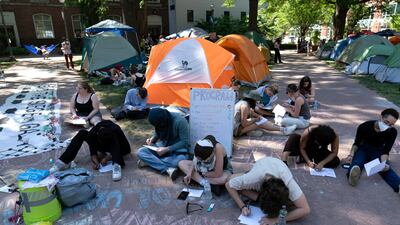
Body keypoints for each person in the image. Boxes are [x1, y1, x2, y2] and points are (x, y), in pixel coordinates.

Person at [226, 157, 310, 224]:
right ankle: (244, 175)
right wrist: (242, 206)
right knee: (230, 179)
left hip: (277, 166)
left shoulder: (288, 183)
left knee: (293, 204)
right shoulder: (252, 179)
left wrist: (275, 219)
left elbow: (305, 209)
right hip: (261, 167)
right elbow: (228, 185)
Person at [50, 120, 131, 181]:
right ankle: (62, 162)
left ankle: (116, 166)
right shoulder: (93, 133)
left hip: (120, 146)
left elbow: (125, 149)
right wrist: (96, 162)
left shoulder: (115, 130)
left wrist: (108, 157)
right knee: (82, 133)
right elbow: (93, 150)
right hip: (102, 144)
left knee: (115, 141)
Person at [347, 108, 399, 193]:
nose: (388, 126)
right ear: (381, 117)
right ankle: (353, 176)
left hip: (378, 150)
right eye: (386, 122)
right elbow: (356, 143)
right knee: (357, 162)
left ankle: (398, 185)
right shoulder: (364, 126)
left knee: (384, 167)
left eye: (391, 124)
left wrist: (384, 163)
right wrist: (351, 155)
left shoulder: (392, 131)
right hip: (363, 148)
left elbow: (386, 150)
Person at [137, 108, 190, 180]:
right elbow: (158, 132)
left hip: (177, 151)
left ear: (163, 122)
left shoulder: (180, 121)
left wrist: (168, 149)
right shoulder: (160, 122)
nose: (158, 127)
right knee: (141, 152)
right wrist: (152, 140)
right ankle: (168, 169)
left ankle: (149, 162)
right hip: (162, 148)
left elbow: (185, 142)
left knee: (177, 162)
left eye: (159, 125)